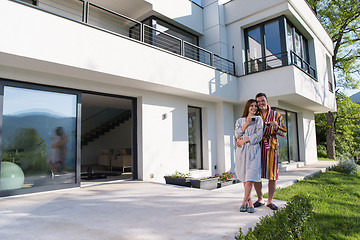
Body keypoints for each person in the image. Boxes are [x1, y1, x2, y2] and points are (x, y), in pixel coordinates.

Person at [253, 93, 287, 210]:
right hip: (257, 147)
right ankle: (260, 199)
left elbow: (284, 132)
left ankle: (270, 201)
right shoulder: (254, 114)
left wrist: (276, 127)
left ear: (267, 101)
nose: (260, 103)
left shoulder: (276, 115)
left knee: (272, 175)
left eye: (262, 101)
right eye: (258, 102)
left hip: (271, 147)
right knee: (256, 174)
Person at [235, 99, 263, 213]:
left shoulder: (258, 120)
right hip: (242, 152)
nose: (254, 108)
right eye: (251, 106)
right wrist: (246, 123)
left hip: (253, 150)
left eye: (255, 106)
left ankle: (243, 202)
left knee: (250, 177)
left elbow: (259, 135)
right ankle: (250, 202)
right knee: (245, 177)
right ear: (247, 107)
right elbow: (237, 133)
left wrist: (245, 140)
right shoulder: (240, 120)